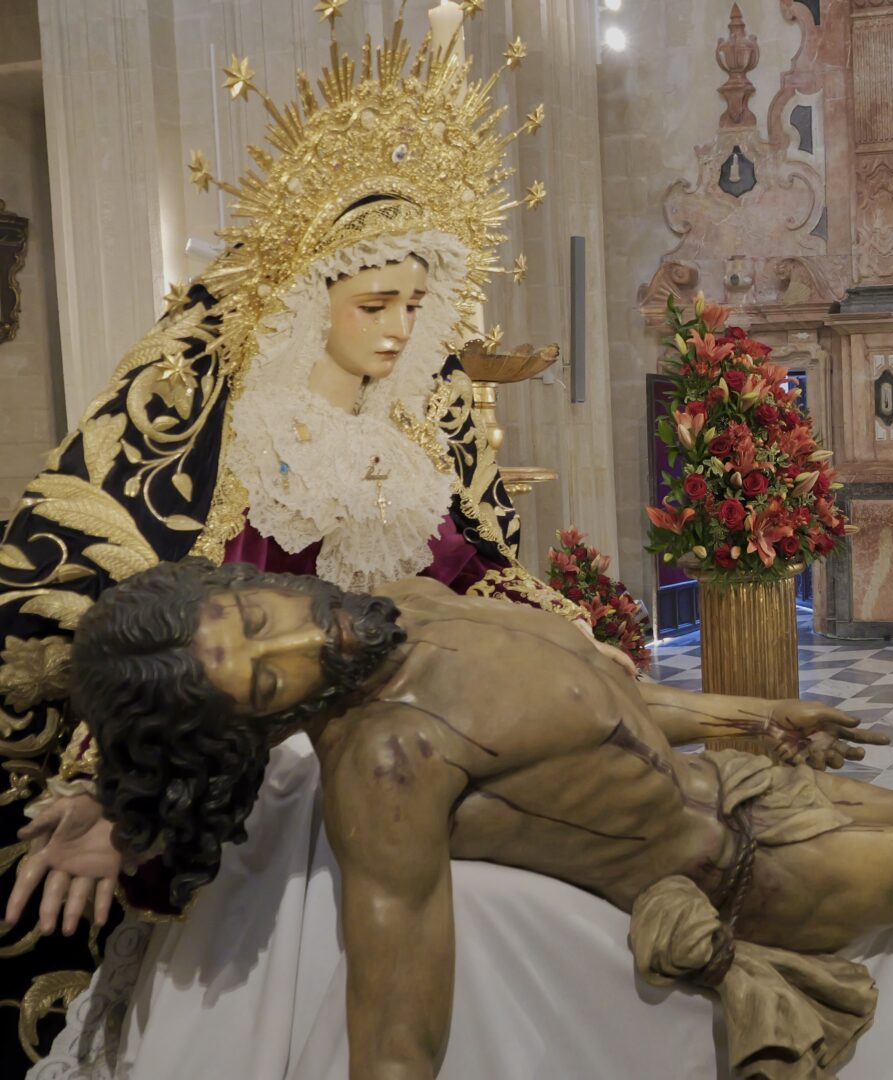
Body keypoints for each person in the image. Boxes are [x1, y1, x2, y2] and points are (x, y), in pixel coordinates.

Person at [0, 28, 611, 1068]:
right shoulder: (236, 446)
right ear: (304, 298)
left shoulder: (417, 439)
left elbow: (476, 570)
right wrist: (118, 785)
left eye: (415, 308)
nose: (396, 331)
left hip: (441, 739)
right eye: (373, 305)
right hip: (280, 783)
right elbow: (170, 622)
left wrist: (566, 634)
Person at [66, 561, 893, 1078]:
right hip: (729, 871)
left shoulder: (403, 599)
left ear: (250, 584)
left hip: (728, 792)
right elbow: (396, 1024)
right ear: (268, 723)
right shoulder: (386, 763)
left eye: (256, 622)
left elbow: (600, 706)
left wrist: (755, 714)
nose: (293, 649)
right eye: (264, 684)